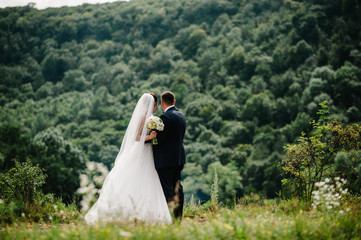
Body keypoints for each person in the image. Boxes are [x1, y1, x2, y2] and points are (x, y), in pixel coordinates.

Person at [84, 93, 172, 225]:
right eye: (155, 104)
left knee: (147, 179)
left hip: (148, 152)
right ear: (153, 105)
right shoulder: (143, 117)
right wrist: (151, 136)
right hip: (141, 152)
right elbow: (137, 137)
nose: (156, 106)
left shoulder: (152, 118)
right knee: (138, 178)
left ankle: (146, 212)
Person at [153, 91, 186, 219]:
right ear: (174, 101)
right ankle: (178, 216)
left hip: (166, 160)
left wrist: (150, 138)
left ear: (162, 102)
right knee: (178, 187)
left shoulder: (166, 117)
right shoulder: (180, 115)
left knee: (167, 189)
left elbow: (160, 139)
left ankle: (169, 216)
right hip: (179, 158)